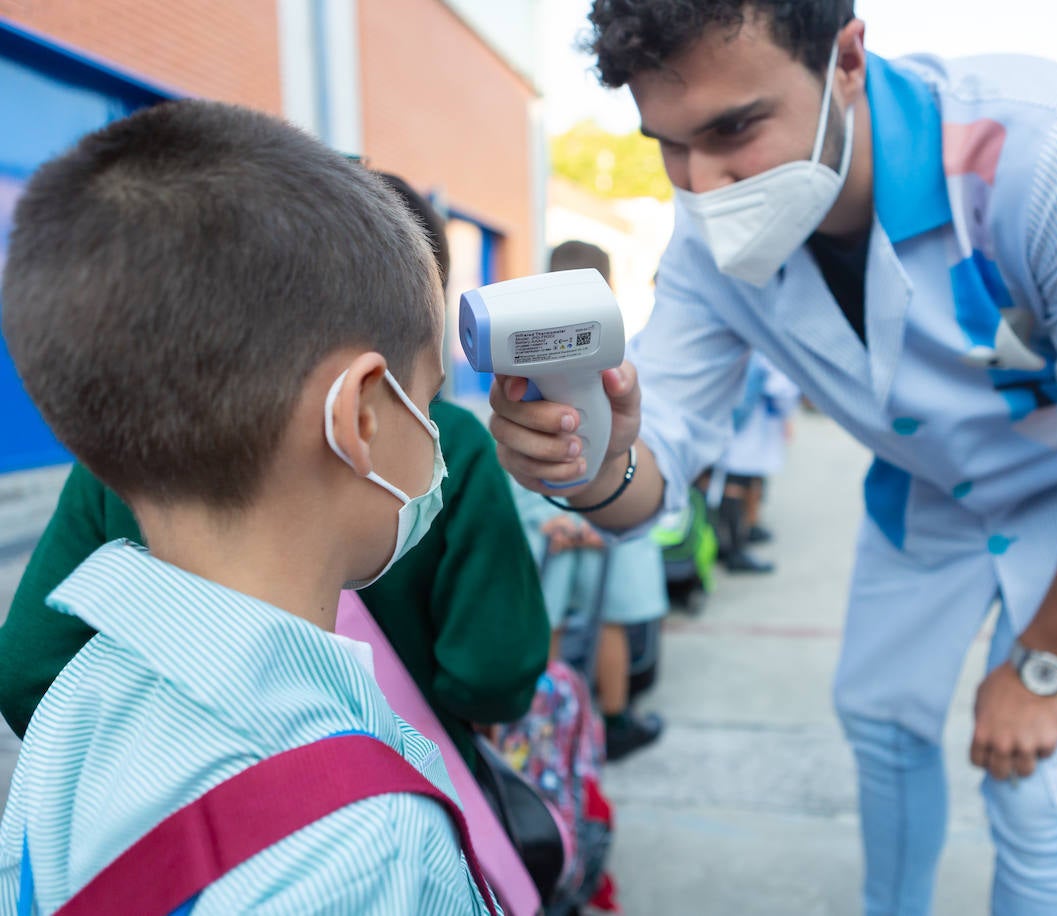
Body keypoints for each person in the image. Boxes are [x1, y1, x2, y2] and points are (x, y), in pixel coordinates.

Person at [487, 3, 1057, 914]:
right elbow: (662, 454)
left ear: (846, 58)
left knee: (1036, 791)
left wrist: (1043, 662)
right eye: (668, 145)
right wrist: (594, 469)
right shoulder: (707, 238)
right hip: (932, 491)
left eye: (734, 128)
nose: (706, 184)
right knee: (879, 722)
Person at [0, 101, 493, 911]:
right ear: (362, 417)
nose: (435, 441)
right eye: (428, 399)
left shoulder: (78, 703)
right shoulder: (372, 844)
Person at [0, 173, 551, 775]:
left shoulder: (131, 443)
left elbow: (31, 667)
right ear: (363, 408)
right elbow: (493, 672)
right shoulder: (454, 443)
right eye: (429, 388)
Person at [515, 239, 667, 761]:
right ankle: (615, 721)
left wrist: (542, 518)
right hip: (607, 513)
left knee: (550, 622)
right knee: (612, 621)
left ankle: (544, 736)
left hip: (554, 517)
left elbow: (517, 442)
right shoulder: (620, 348)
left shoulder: (525, 347)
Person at [712, 352, 802, 573]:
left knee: (737, 483)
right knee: (735, 486)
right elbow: (781, 390)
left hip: (733, 422)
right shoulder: (762, 353)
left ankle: (737, 540)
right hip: (747, 429)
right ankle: (734, 550)